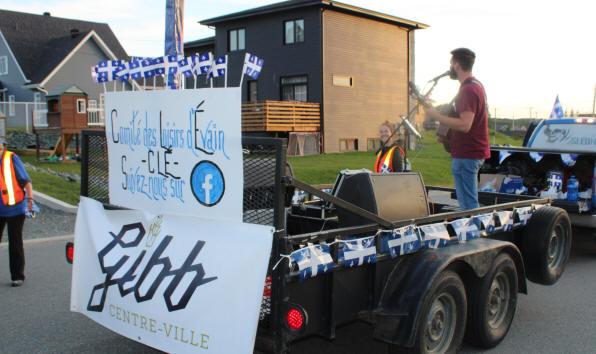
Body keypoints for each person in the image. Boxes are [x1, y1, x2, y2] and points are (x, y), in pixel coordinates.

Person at [424, 48, 489, 210]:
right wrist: (446, 135)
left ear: (457, 65)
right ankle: (470, 232)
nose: (450, 67)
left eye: (451, 63)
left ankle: (473, 234)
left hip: (468, 154)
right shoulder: (473, 86)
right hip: (465, 153)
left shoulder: (469, 90)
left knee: (468, 204)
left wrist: (436, 116)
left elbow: (465, 125)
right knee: (465, 203)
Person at [0, 138, 35, 287]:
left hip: (15, 208)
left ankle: (17, 276)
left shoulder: (11, 158)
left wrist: (30, 200)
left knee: (15, 242)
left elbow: (26, 181)